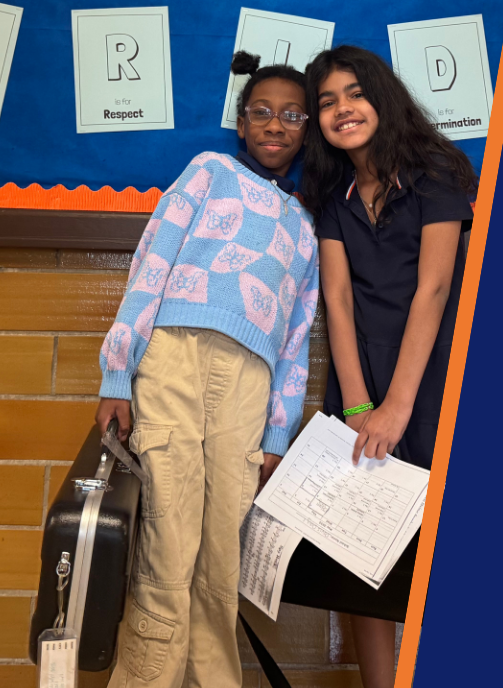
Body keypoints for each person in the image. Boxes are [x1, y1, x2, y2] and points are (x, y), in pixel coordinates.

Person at [95, 52, 319, 688]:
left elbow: (297, 341)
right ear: (241, 122)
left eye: (292, 115)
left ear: (306, 130)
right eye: (262, 112)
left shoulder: (305, 226)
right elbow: (151, 266)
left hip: (249, 386)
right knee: (168, 542)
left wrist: (277, 438)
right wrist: (118, 373)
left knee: (222, 555)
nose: (276, 125)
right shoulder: (208, 171)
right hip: (174, 358)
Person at [299, 45, 476, 688]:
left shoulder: (437, 174)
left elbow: (433, 290)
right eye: (326, 102)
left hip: (432, 380)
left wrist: (397, 406)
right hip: (356, 383)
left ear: (382, 96)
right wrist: (355, 409)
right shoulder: (330, 192)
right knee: (356, 551)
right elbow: (337, 300)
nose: (342, 109)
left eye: (354, 93)